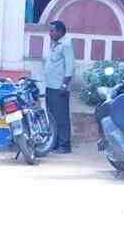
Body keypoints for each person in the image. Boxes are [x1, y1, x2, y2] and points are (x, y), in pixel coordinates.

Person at [44, 20, 75, 153]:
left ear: (60, 32)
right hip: (50, 85)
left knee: (61, 117)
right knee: (53, 116)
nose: (50, 33)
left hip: (59, 87)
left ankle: (64, 145)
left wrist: (64, 84)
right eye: (50, 30)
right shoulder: (55, 44)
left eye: (53, 30)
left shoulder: (66, 44)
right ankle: (55, 143)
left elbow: (70, 66)